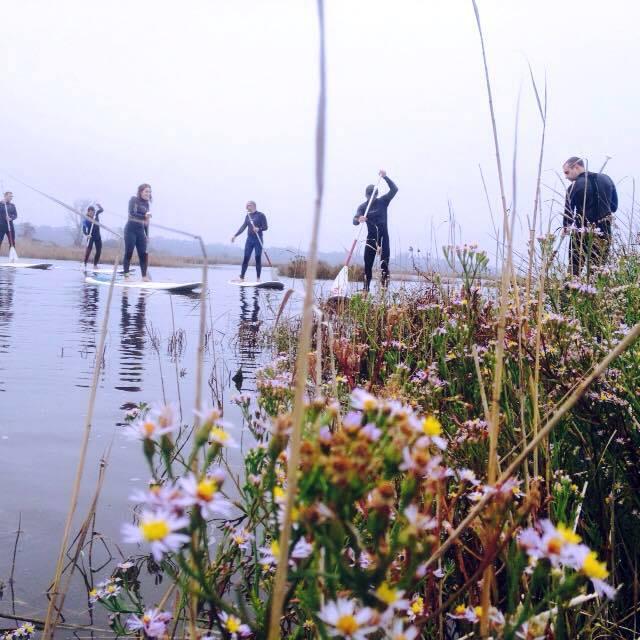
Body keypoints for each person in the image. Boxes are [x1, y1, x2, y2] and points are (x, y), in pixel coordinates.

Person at [562, 157, 618, 276]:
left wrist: (565, 227)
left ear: (576, 167)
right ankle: (594, 294)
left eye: (567, 172)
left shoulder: (573, 187)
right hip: (604, 230)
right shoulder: (607, 179)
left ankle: (570, 293)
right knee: (597, 271)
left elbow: (568, 215)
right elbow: (614, 207)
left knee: (574, 270)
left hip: (581, 231)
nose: (566, 177)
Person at [353, 169, 398, 291]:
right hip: (371, 239)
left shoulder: (383, 201)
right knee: (367, 266)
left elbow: (394, 190)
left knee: (384, 266)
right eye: (369, 196)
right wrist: (359, 219)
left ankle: (383, 292)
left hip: (384, 238)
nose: (371, 199)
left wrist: (385, 177)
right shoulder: (363, 207)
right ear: (366, 195)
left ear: (376, 195)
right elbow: (354, 220)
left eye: (373, 196)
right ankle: (365, 290)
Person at [231, 201, 268, 281]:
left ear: (254, 206)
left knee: (257, 258)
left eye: (248, 205)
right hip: (249, 240)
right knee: (246, 258)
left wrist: (258, 229)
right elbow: (243, 227)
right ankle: (242, 277)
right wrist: (235, 235)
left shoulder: (261, 215)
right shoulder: (248, 216)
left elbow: (265, 227)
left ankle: (258, 278)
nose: (246, 207)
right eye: (246, 206)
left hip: (258, 239)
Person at [124, 184, 152, 281]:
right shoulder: (134, 200)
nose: (148, 194)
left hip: (140, 231)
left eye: (149, 192)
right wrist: (145, 215)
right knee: (129, 252)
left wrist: (147, 235)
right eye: (146, 191)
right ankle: (126, 276)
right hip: (130, 230)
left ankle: (144, 277)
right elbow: (132, 213)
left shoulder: (147, 204)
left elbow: (146, 223)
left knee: (143, 254)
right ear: (141, 192)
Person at [82, 204, 104, 269]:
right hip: (90, 236)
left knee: (99, 250)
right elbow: (83, 229)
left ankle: (95, 265)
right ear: (88, 212)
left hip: (98, 236)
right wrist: (86, 234)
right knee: (88, 250)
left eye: (93, 212)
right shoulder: (86, 218)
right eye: (91, 212)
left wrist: (99, 206)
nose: (92, 213)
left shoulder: (96, 214)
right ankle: (85, 264)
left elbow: (102, 210)